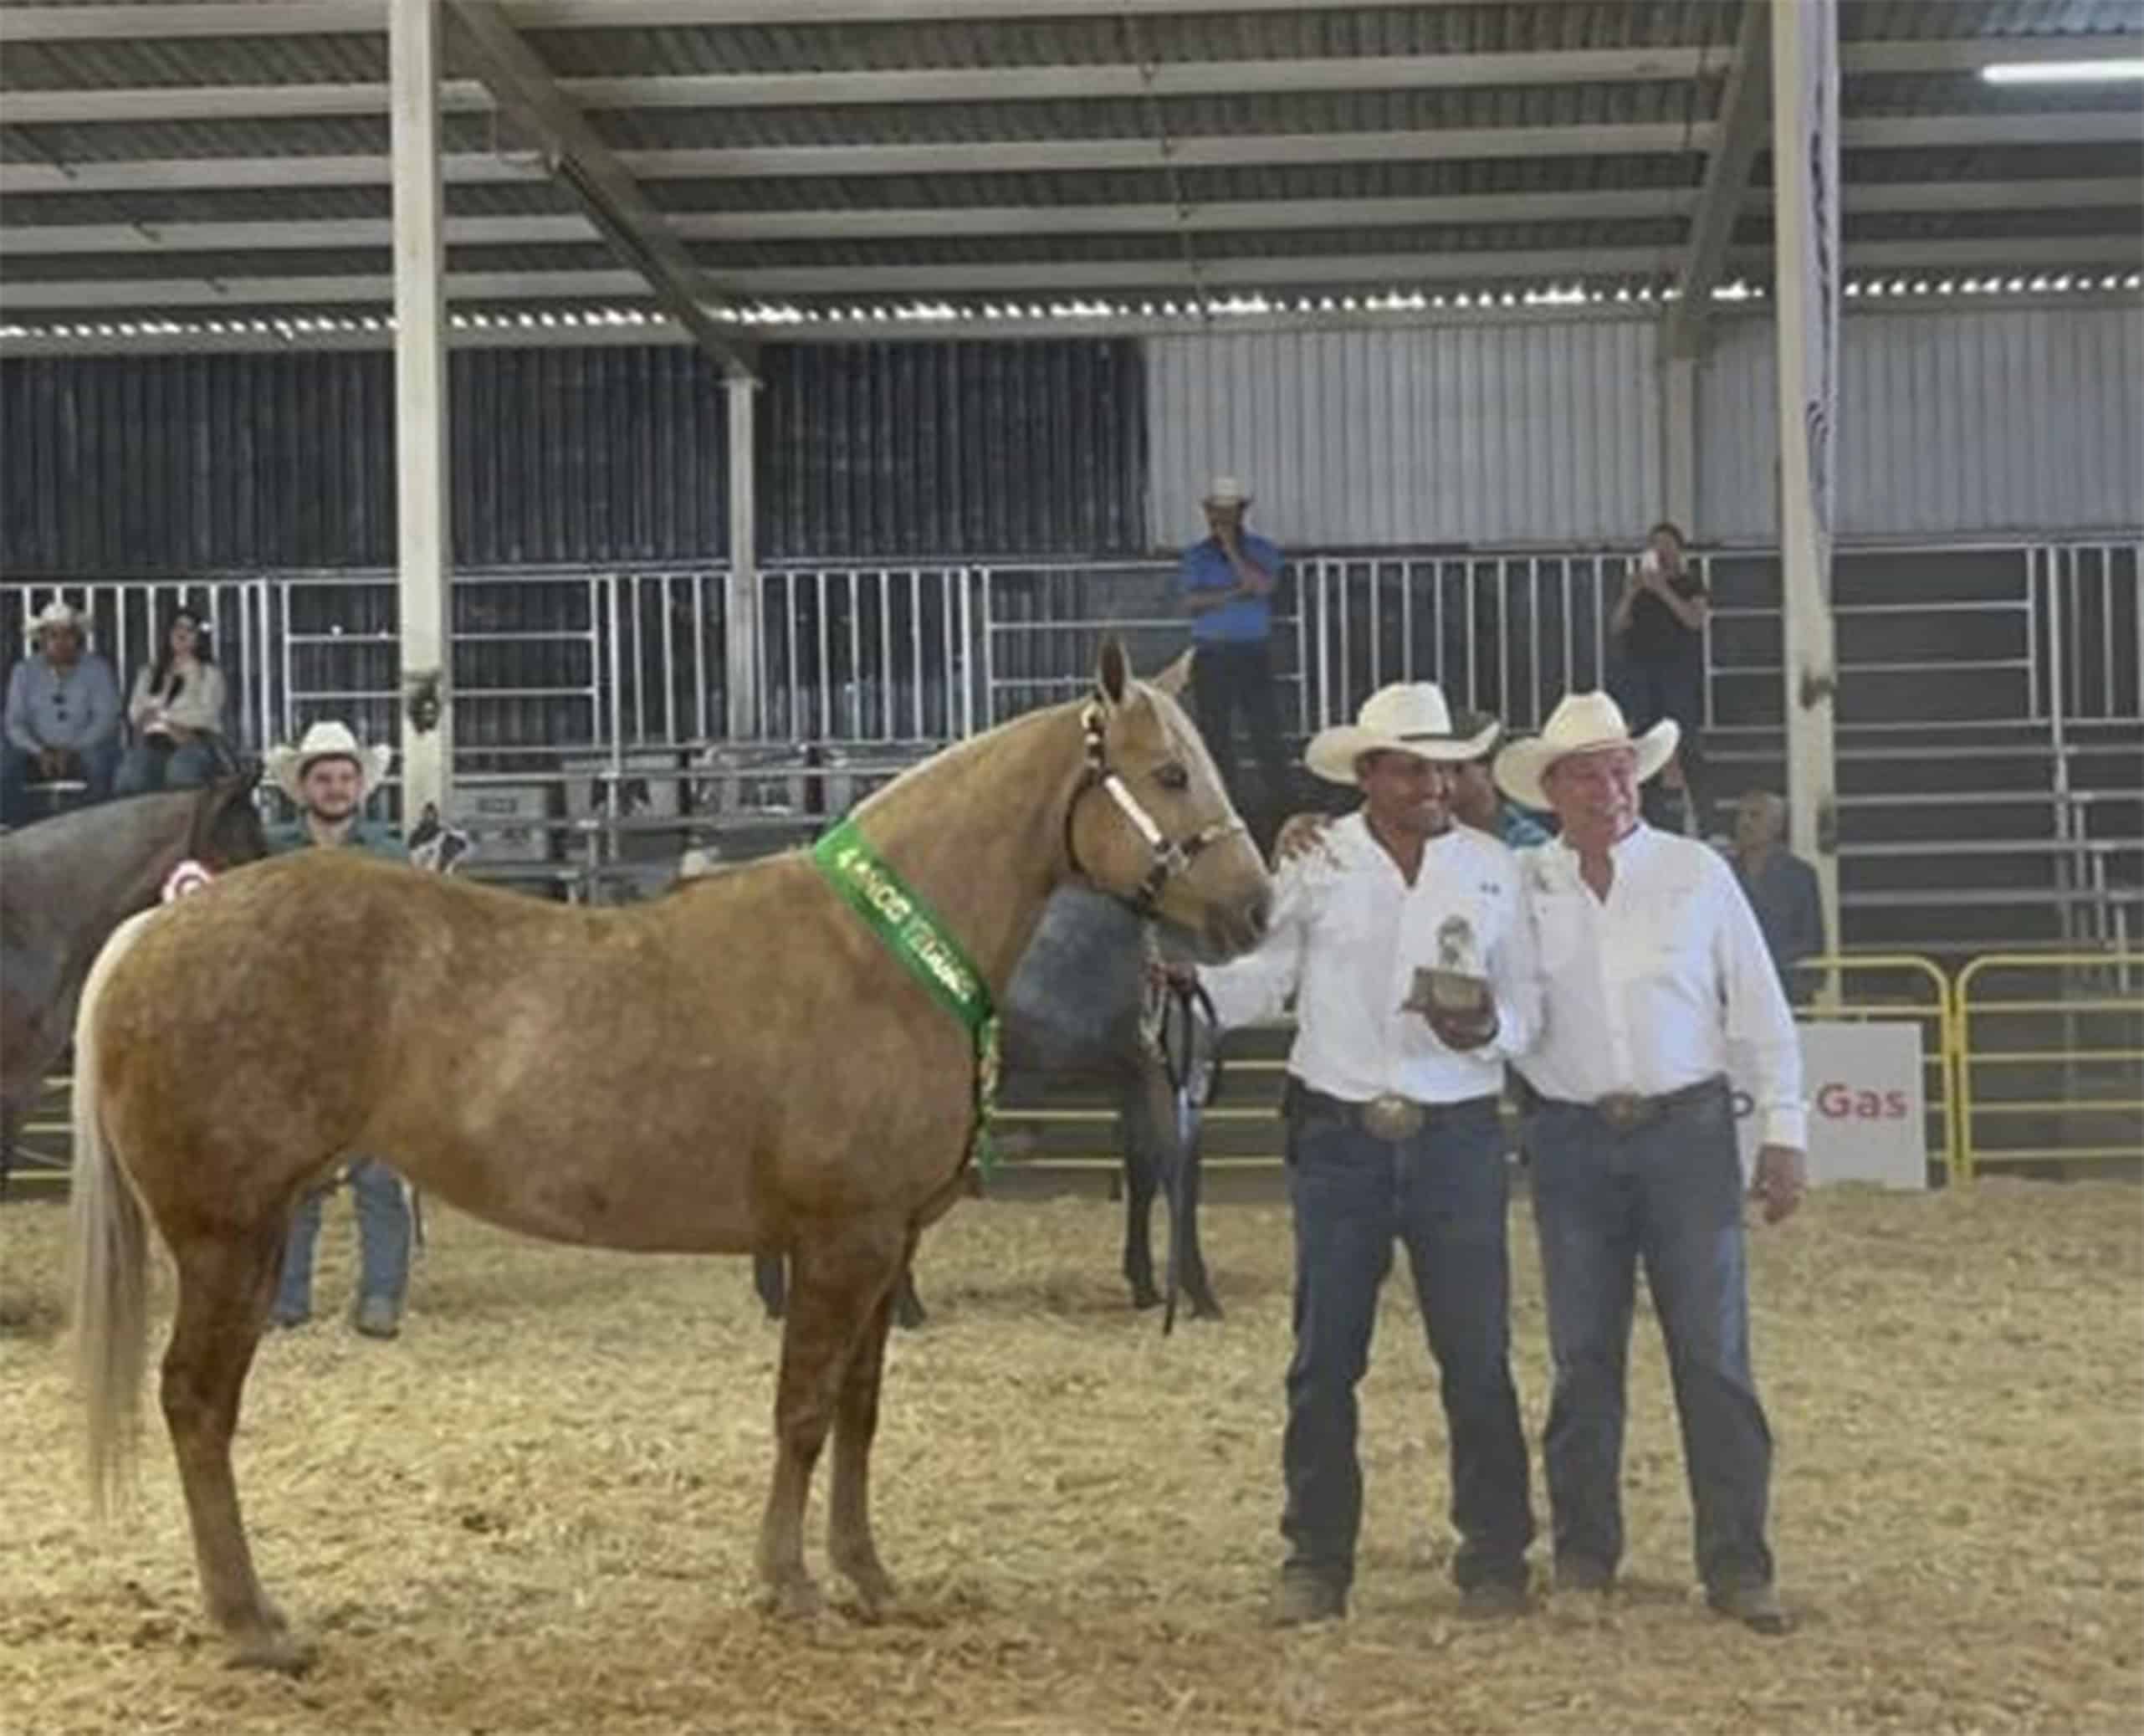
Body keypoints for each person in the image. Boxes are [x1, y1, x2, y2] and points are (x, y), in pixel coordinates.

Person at [1180, 682, 1540, 1626]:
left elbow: (1530, 1003)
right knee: (1323, 1357)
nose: (1432, 783)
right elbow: (1264, 969)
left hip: (1457, 1129)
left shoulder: (1501, 870)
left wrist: (1490, 1025)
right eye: (1412, 766)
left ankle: (1496, 1556)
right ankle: (1316, 1557)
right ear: (1369, 774)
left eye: (1444, 766)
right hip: (1339, 1130)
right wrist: (1191, 999)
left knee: (1476, 1357)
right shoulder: (1315, 858)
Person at [1493, 691, 1806, 1636]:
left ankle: (1738, 1563)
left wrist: (1783, 1131)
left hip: (1686, 1131)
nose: (1608, 785)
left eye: (1620, 766)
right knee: (1583, 1358)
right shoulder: (1516, 883)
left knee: (1712, 1354)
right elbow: (1510, 1015)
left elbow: (1758, 1005)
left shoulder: (1695, 871)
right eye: (1585, 771)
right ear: (1550, 790)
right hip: (1570, 1135)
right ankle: (1585, 1555)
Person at [265, 719, 414, 1340]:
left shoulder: (391, 853)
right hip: (293, 1030)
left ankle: (380, 1294)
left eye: (345, 777)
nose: (335, 787)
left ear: (362, 786)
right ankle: (286, 1296)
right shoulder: (270, 851)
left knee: (381, 1169)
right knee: (294, 1173)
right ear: (302, 788)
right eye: (323, 777)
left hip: (372, 1029)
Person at [1179, 474, 1293, 849]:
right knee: (1215, 734)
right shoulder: (1196, 555)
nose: (1220, 519)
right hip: (1212, 652)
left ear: (1241, 512)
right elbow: (1192, 603)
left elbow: (1262, 587)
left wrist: (1231, 552)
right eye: (1216, 511)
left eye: (1227, 512)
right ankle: (1223, 809)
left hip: (1251, 650)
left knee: (1265, 733)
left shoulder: (1261, 549)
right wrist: (1234, 592)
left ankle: (1281, 811)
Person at [1609, 522, 1708, 826]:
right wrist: (1631, 594)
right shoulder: (1638, 586)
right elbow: (1616, 626)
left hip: (1676, 672)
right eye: (1656, 545)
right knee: (1644, 743)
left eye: (1667, 544)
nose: (1662, 551)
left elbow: (1694, 619)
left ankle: (1705, 818)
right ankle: (1645, 815)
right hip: (1641, 672)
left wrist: (1662, 589)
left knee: (1685, 744)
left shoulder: (1691, 584)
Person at [3, 599, 121, 825]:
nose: (60, 642)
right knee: (5, 760)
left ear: (78, 638)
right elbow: (14, 721)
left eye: (67, 635)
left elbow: (105, 718)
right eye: (52, 636)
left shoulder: (97, 669)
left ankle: (96, 827)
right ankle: (16, 829)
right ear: (41, 640)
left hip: (86, 747)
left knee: (101, 760)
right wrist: (39, 751)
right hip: (35, 749)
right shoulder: (24, 671)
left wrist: (73, 749)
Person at [115, 607, 232, 796]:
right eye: (177, 627)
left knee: (181, 770)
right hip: (154, 741)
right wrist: (162, 723)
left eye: (189, 629)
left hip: (195, 740)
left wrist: (165, 720)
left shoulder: (210, 675)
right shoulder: (148, 673)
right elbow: (135, 711)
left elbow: (205, 714)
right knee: (131, 773)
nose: (182, 633)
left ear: (198, 637)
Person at [1728, 789, 1825, 1002]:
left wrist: (1765, 961)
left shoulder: (1801, 875)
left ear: (1777, 825)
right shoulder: (1722, 873)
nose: (1745, 823)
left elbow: (1812, 941)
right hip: (1733, 991)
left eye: (1755, 815)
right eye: (1740, 815)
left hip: (1786, 989)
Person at [1446, 711, 1554, 849]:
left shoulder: (1530, 847)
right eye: (1440, 767)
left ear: (1491, 771)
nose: (1445, 779)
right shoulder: (1429, 837)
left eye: (1457, 768)